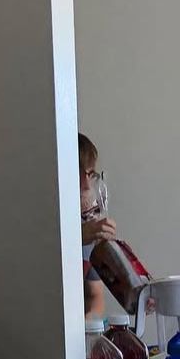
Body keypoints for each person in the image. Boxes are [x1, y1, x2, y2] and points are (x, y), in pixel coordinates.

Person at [79, 133, 115, 319]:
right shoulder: (40, 225)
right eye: (77, 174)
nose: (86, 186)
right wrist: (76, 238)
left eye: (90, 174)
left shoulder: (89, 230)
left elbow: (96, 298)